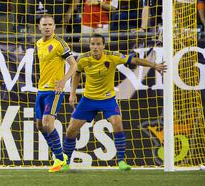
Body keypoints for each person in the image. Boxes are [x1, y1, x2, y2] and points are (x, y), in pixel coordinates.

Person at [61, 34, 166, 172]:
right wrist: (72, 93)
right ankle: (65, 162)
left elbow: (134, 60)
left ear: (103, 46)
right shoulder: (83, 58)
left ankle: (121, 162)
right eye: (93, 44)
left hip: (107, 99)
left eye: (98, 44)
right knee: (71, 130)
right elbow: (77, 74)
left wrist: (154, 65)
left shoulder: (113, 56)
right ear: (90, 45)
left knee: (117, 124)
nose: (95, 47)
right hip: (88, 100)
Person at [35, 15, 77, 173]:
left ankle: (59, 158)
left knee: (47, 123)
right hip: (41, 90)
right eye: (44, 24)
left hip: (55, 90)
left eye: (50, 24)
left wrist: (63, 81)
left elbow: (74, 65)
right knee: (40, 125)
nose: (47, 27)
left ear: (54, 27)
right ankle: (60, 156)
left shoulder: (59, 43)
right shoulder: (39, 43)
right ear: (39, 27)